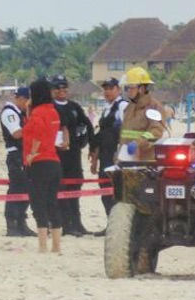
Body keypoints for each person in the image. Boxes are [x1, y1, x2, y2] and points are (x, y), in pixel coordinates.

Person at [51, 75, 94, 237]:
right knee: (59, 189)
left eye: (64, 87)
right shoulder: (50, 108)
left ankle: (77, 223)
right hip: (57, 155)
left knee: (75, 188)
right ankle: (63, 224)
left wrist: (90, 146)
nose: (61, 91)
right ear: (52, 90)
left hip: (74, 155)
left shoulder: (75, 107)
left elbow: (87, 126)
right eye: (57, 88)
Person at [24, 79, 63, 253]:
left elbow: (38, 131)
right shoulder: (53, 112)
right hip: (54, 161)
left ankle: (42, 245)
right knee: (52, 202)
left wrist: (33, 152)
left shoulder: (38, 113)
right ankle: (56, 245)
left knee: (38, 203)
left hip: (40, 162)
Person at [89, 78, 128, 222]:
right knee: (104, 189)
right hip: (104, 155)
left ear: (118, 89)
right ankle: (110, 222)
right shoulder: (106, 108)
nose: (107, 92)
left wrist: (119, 154)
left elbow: (126, 132)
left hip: (116, 155)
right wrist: (94, 159)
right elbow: (101, 135)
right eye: (105, 89)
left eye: (110, 88)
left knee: (115, 191)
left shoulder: (123, 106)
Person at [0, 86, 36, 237]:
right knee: (16, 188)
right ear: (21, 98)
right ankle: (12, 223)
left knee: (26, 188)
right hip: (15, 155)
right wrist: (34, 126)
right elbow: (16, 133)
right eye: (28, 101)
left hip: (24, 154)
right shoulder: (10, 112)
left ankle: (21, 221)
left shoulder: (21, 113)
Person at [119, 67, 166, 161]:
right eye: (126, 88)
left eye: (131, 87)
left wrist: (138, 143)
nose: (128, 90)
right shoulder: (130, 107)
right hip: (126, 158)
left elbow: (156, 131)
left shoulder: (154, 106)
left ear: (142, 88)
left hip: (145, 159)